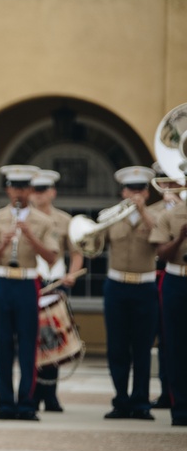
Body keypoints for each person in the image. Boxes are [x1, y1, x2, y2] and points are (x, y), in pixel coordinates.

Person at [0, 164, 59, 421]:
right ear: (8, 189)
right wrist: (2, 243)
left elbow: (51, 257)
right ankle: (5, 403)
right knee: (3, 345)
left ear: (30, 189)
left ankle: (26, 403)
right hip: (3, 282)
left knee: (28, 344)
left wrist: (30, 236)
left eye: (24, 187)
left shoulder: (44, 221)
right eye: (14, 187)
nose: (19, 192)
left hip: (27, 283)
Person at [85, 166, 159, 420]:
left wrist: (141, 212)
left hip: (145, 285)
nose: (135, 194)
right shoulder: (111, 215)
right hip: (116, 285)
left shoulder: (156, 216)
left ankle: (141, 402)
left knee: (142, 347)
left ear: (147, 193)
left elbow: (159, 241)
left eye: (140, 189)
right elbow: (93, 244)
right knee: (117, 346)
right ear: (123, 191)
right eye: (131, 189)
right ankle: (120, 400)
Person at [29, 168, 84, 412]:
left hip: (55, 282)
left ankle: (50, 394)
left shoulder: (64, 220)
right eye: (35, 190)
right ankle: (33, 393)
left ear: (53, 192)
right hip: (32, 281)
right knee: (33, 340)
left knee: (55, 339)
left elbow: (76, 252)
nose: (38, 195)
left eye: (43, 190)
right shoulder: (25, 218)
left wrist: (72, 274)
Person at [149, 159, 187, 428]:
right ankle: (180, 408)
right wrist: (180, 238)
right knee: (175, 346)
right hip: (176, 278)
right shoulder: (170, 215)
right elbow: (160, 254)